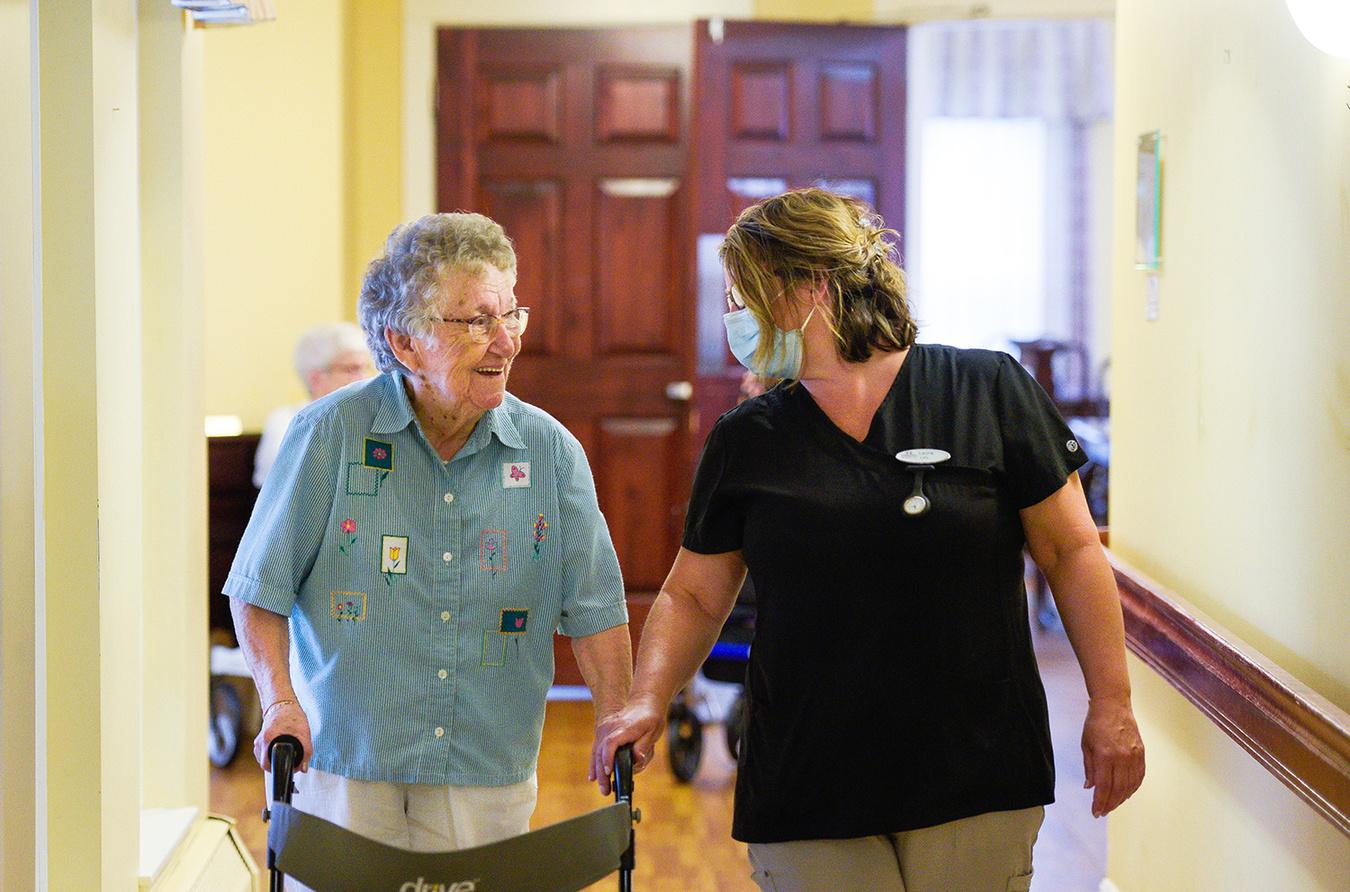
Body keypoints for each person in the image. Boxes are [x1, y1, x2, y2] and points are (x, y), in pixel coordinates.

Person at [593, 189, 1145, 891]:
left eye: (744, 294)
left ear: (814, 286)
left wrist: (1111, 702)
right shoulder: (749, 438)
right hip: (808, 774)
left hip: (975, 763)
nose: (734, 316)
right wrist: (648, 697)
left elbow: (1072, 553)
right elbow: (694, 596)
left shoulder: (985, 390)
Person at [225, 212, 632, 877]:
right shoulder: (328, 436)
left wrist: (615, 715)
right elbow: (257, 589)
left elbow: (596, 605)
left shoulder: (549, 453)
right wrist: (279, 702)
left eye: (510, 315)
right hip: (344, 758)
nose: (505, 340)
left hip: (485, 760)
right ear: (405, 343)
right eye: (475, 321)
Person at [252, 321, 375, 488]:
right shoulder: (286, 420)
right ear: (316, 378)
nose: (364, 377)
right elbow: (279, 478)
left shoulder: (373, 416)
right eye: (352, 369)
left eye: (366, 367)